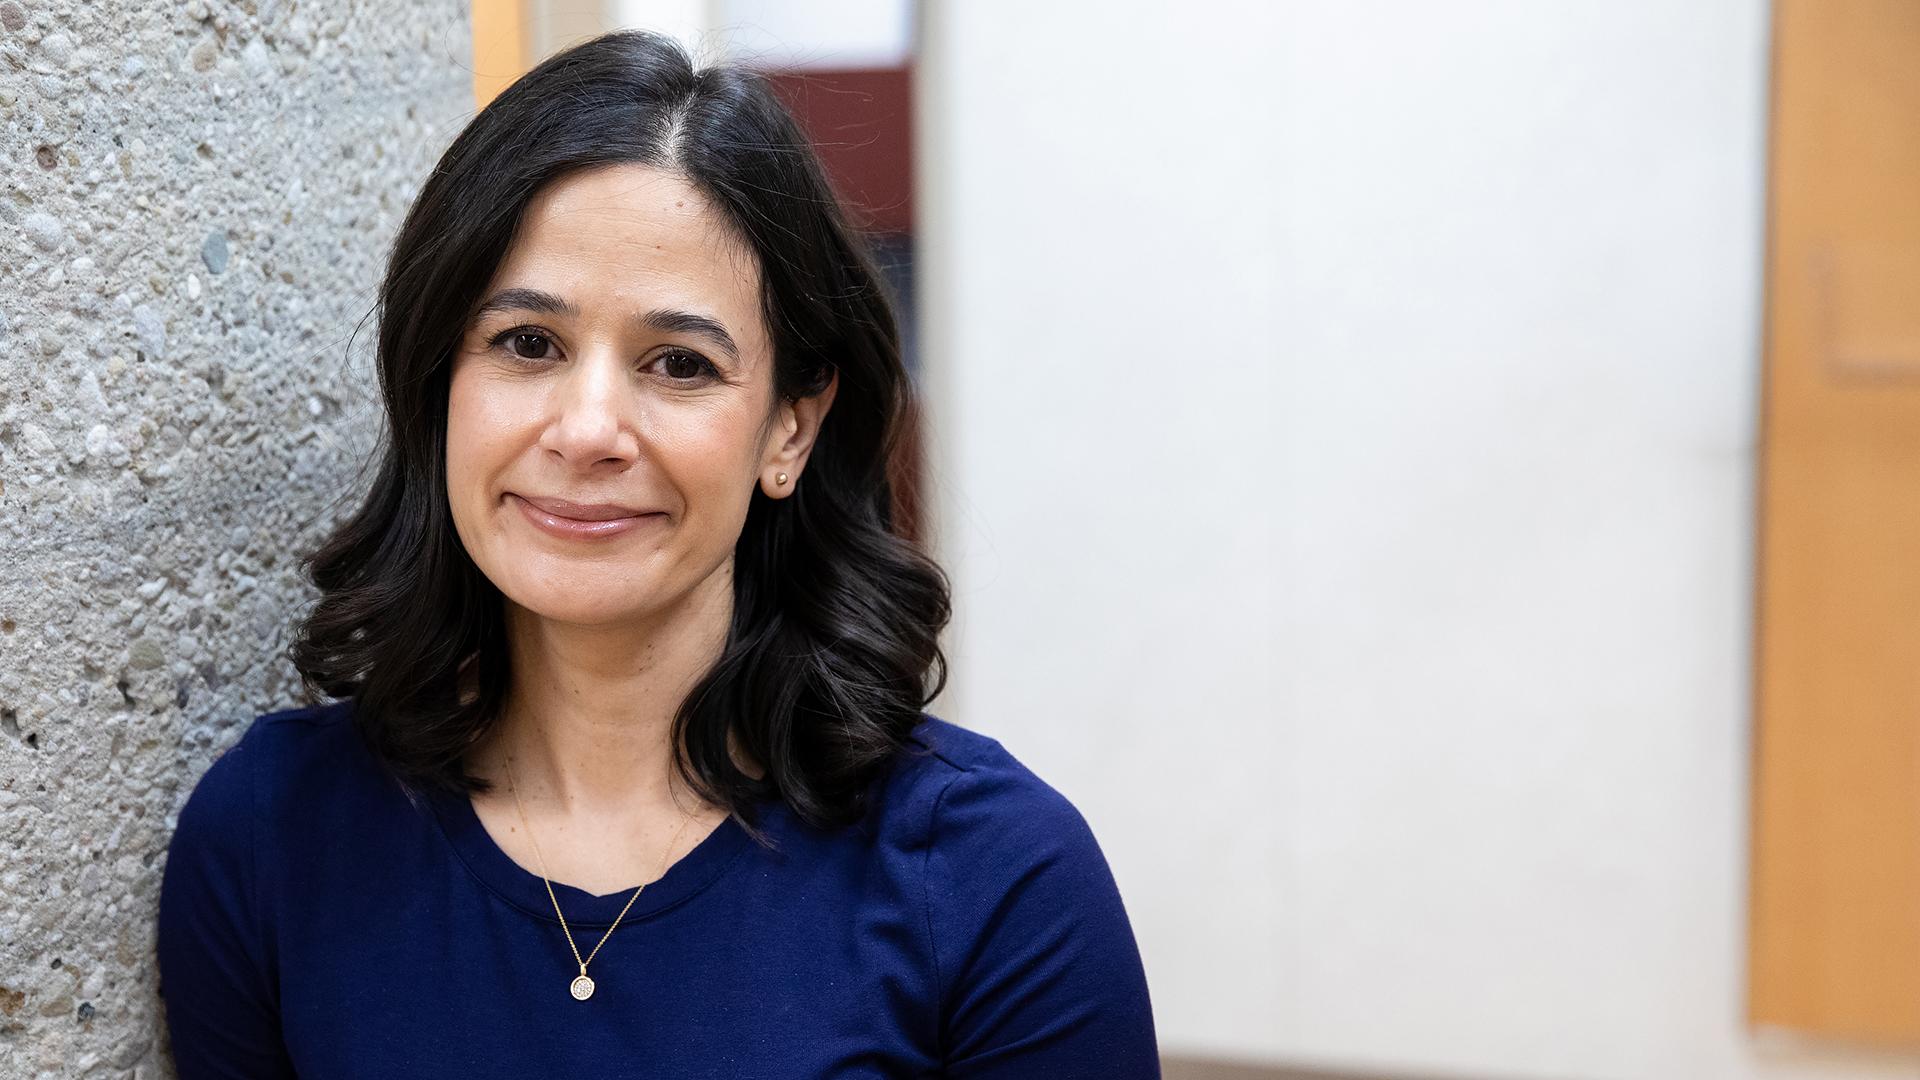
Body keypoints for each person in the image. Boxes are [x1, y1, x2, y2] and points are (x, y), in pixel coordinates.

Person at [155, 27, 1159, 1079]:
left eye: (678, 364)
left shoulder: (998, 880)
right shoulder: (271, 839)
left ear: (791, 431)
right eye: (527, 344)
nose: (588, 429)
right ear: (438, 381)